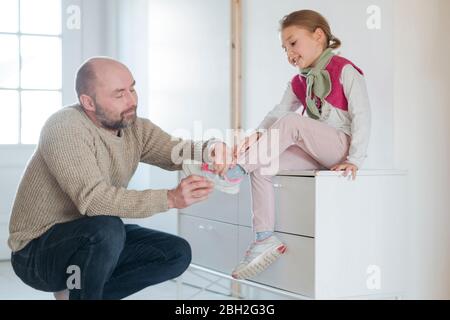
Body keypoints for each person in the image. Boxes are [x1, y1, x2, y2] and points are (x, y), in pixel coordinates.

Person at [8, 57, 228, 300]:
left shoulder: (134, 128)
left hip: (91, 238)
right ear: (88, 102)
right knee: (107, 227)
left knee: (176, 253)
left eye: (132, 88)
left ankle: (78, 295)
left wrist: (212, 148)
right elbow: (93, 201)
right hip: (36, 252)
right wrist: (171, 198)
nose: (132, 100)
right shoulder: (65, 127)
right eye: (119, 94)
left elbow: (176, 151)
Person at [183, 9, 371, 280]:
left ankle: (234, 173)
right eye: (284, 49)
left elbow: (363, 115)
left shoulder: (345, 71)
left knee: (291, 122)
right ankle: (263, 238)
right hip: (315, 150)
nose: (289, 54)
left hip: (340, 147)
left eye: (293, 43)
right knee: (263, 163)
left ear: (318, 36)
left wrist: (355, 159)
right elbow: (277, 112)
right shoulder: (299, 81)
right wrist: (254, 138)